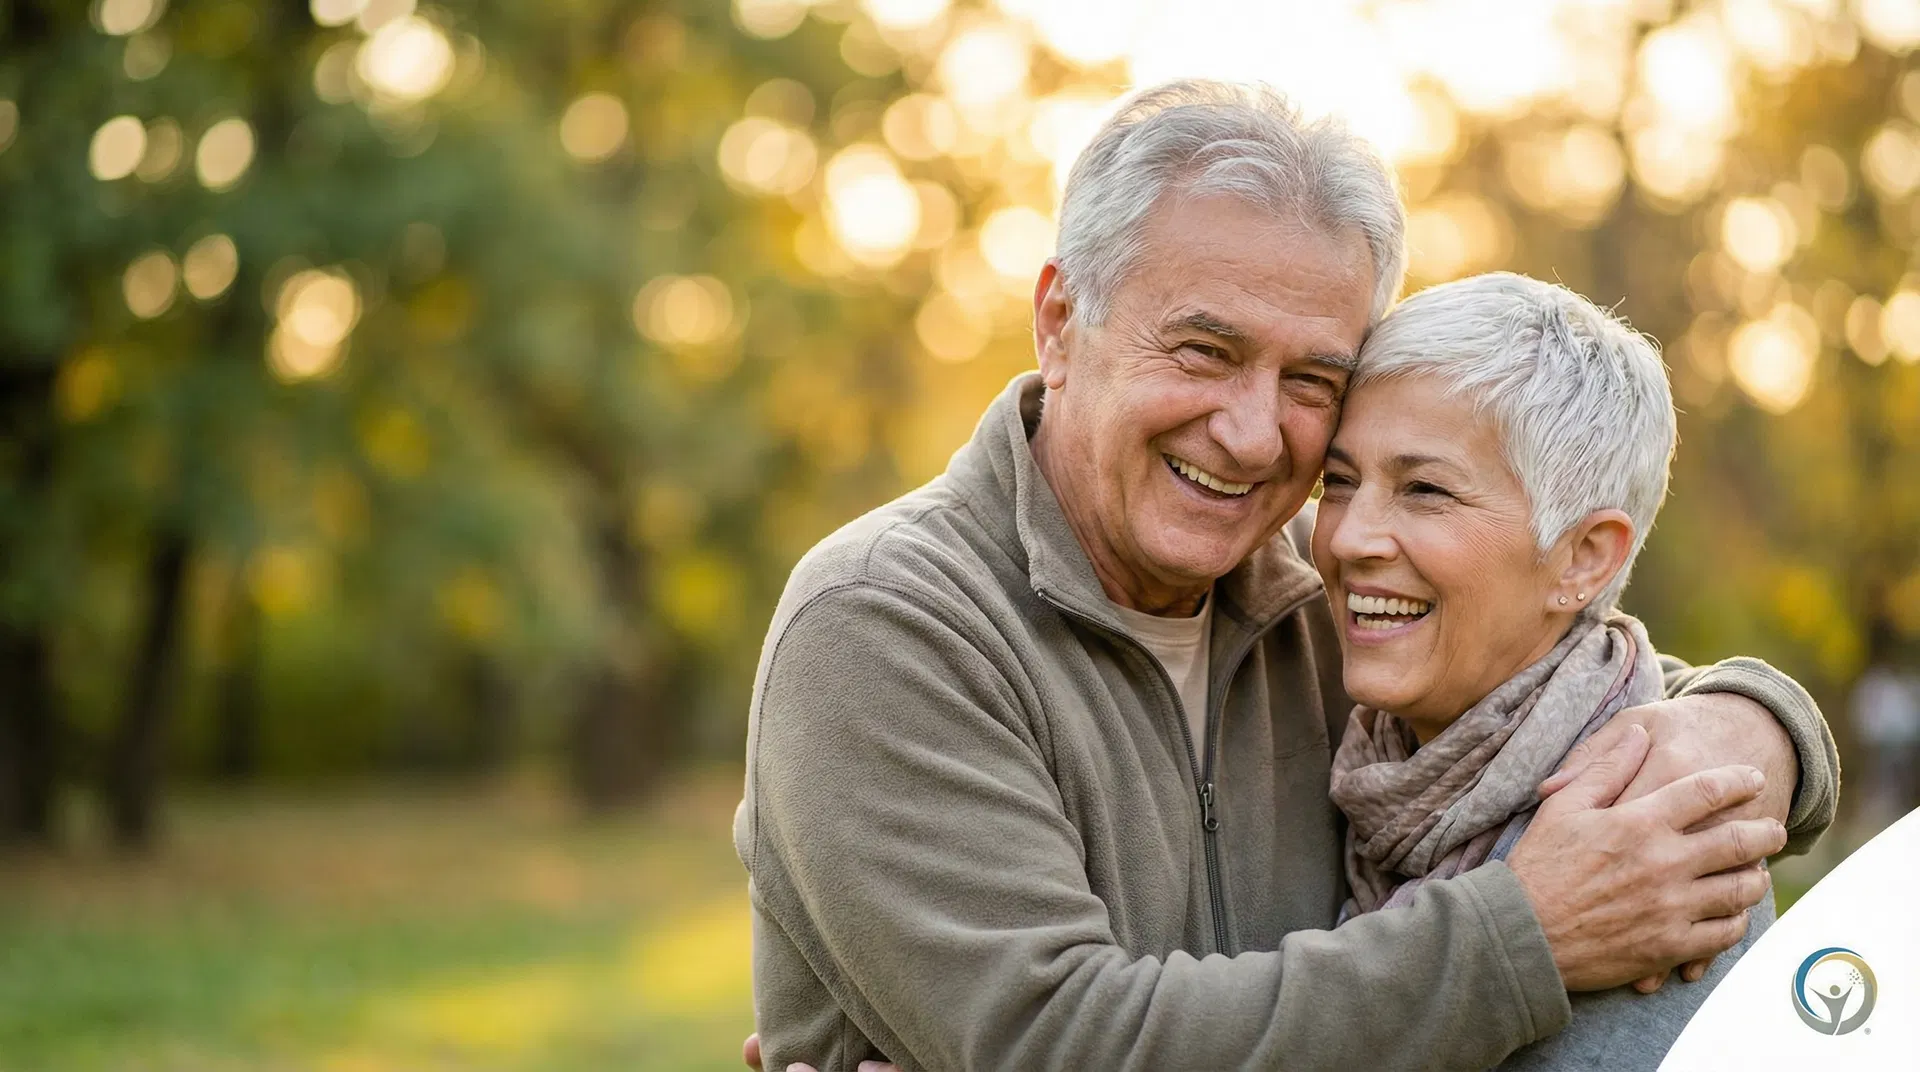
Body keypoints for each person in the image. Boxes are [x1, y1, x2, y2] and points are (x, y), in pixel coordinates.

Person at [736, 80, 1839, 1072]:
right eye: (1205, 351)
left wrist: (1764, 728)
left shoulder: (1322, 602)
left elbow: (1556, 675)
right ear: (1061, 323)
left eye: (1313, 378)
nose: (1254, 432)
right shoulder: (886, 624)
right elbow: (1058, 1041)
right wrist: (1525, 934)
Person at [1314, 272, 1772, 1069]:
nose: (1350, 537)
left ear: (1583, 559)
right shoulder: (1384, 751)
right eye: (1340, 481)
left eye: (1425, 490)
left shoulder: (1652, 857)